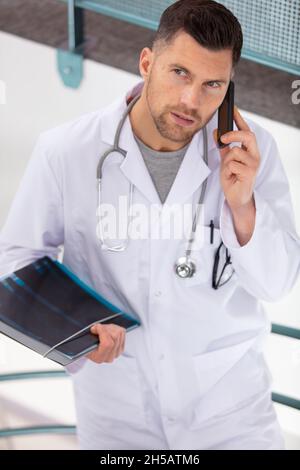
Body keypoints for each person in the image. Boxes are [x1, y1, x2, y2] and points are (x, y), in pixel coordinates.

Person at [1, 0, 299, 450]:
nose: (190, 101)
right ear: (147, 62)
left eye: (212, 84)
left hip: (230, 413)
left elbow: (276, 284)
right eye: (180, 72)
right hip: (117, 412)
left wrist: (242, 205)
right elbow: (17, 261)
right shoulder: (66, 151)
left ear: (228, 90)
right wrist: (76, 331)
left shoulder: (251, 156)